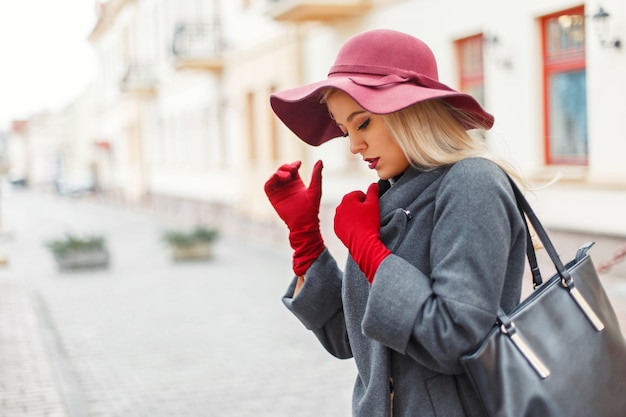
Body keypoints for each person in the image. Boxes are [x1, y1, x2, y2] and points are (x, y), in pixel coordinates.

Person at [264, 29, 527, 417]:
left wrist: (370, 250)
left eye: (363, 123)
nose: (354, 145)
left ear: (410, 110)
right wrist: (306, 243)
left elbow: (454, 337)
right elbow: (349, 339)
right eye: (345, 129)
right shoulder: (393, 195)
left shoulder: (472, 182)